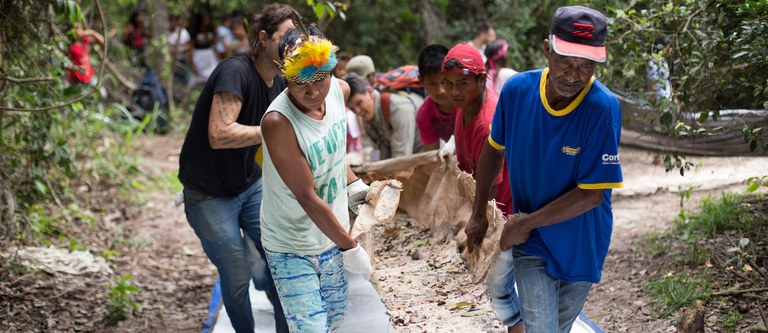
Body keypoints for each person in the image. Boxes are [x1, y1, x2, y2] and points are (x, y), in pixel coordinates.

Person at [467, 6, 623, 333]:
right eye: (565, 61)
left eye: (586, 66)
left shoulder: (603, 108)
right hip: (533, 239)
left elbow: (593, 194)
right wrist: (479, 212)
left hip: (582, 241)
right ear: (546, 49)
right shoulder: (517, 91)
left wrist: (524, 223)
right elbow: (492, 152)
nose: (573, 74)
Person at [177, 4, 296, 333]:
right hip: (208, 194)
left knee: (278, 263)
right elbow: (219, 133)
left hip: (249, 185)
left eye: (296, 39)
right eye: (285, 37)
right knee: (237, 272)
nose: (292, 46)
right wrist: (272, 132)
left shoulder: (282, 83)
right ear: (263, 38)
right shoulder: (236, 71)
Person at [260, 23, 373, 333]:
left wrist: (354, 184)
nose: (311, 93)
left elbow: (334, 154)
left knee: (334, 321)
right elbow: (307, 197)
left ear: (331, 71)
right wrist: (351, 247)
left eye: (319, 80)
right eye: (299, 84)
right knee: (311, 329)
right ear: (284, 75)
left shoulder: (341, 91)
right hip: (291, 243)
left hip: (329, 235)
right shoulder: (277, 122)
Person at [344, 73, 424, 159]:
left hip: (425, 156)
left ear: (370, 92)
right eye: (352, 109)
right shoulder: (367, 115)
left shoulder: (398, 109)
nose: (357, 111)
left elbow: (401, 159)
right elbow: (378, 152)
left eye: (359, 103)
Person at [415, 44, 458, 151]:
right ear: (421, 81)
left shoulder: (469, 102)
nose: (440, 91)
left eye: (444, 82)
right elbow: (431, 157)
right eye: (432, 84)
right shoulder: (425, 114)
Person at [67, 25, 105, 93]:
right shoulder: (71, 45)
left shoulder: (85, 41)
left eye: (79, 29)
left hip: (88, 74)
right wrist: (77, 68)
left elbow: (102, 41)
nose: (78, 32)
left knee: (101, 93)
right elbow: (66, 64)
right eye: (76, 30)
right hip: (77, 77)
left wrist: (92, 32)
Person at [188, 8, 219, 84]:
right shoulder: (194, 31)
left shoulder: (211, 28)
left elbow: (215, 43)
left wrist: (217, 55)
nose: (206, 21)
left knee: (212, 76)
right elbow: (191, 47)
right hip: (198, 55)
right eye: (204, 19)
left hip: (210, 54)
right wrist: (192, 63)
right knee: (199, 77)